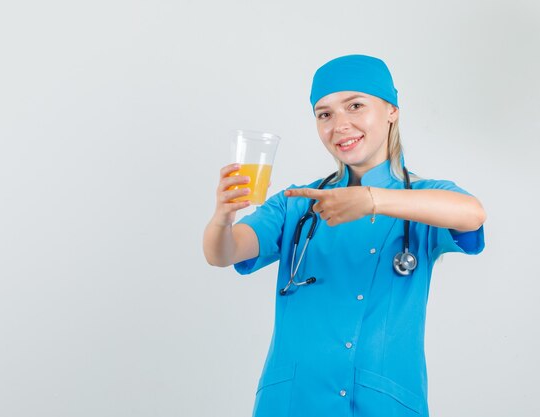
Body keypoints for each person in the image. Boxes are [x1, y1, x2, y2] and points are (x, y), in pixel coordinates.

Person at [203, 54, 486, 417]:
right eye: (325, 114)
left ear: (391, 110)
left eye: (355, 105)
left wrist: (372, 200)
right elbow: (223, 252)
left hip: (383, 402)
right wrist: (222, 219)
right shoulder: (297, 204)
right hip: (293, 402)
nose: (339, 125)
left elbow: (473, 214)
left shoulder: (423, 200)